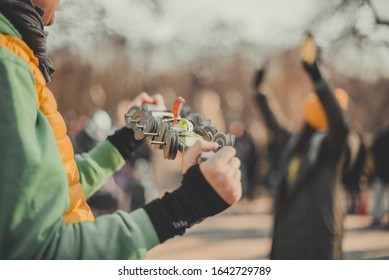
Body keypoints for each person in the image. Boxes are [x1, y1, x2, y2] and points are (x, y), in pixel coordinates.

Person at [0, 0, 242, 259]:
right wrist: (185, 206)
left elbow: (55, 186)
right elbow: (37, 253)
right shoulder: (8, 66)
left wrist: (125, 138)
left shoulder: (17, 59)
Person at [253, 39, 349, 259]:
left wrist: (318, 78)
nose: (302, 115)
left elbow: (338, 122)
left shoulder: (332, 147)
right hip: (285, 242)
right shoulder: (294, 142)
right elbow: (273, 120)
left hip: (316, 245)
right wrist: (260, 89)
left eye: (307, 110)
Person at [370, 126, 389, 227]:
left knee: (378, 196)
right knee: (378, 196)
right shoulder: (381, 137)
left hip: (380, 171)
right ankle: (377, 217)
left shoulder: (380, 137)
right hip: (382, 171)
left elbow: (373, 150)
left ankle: (377, 217)